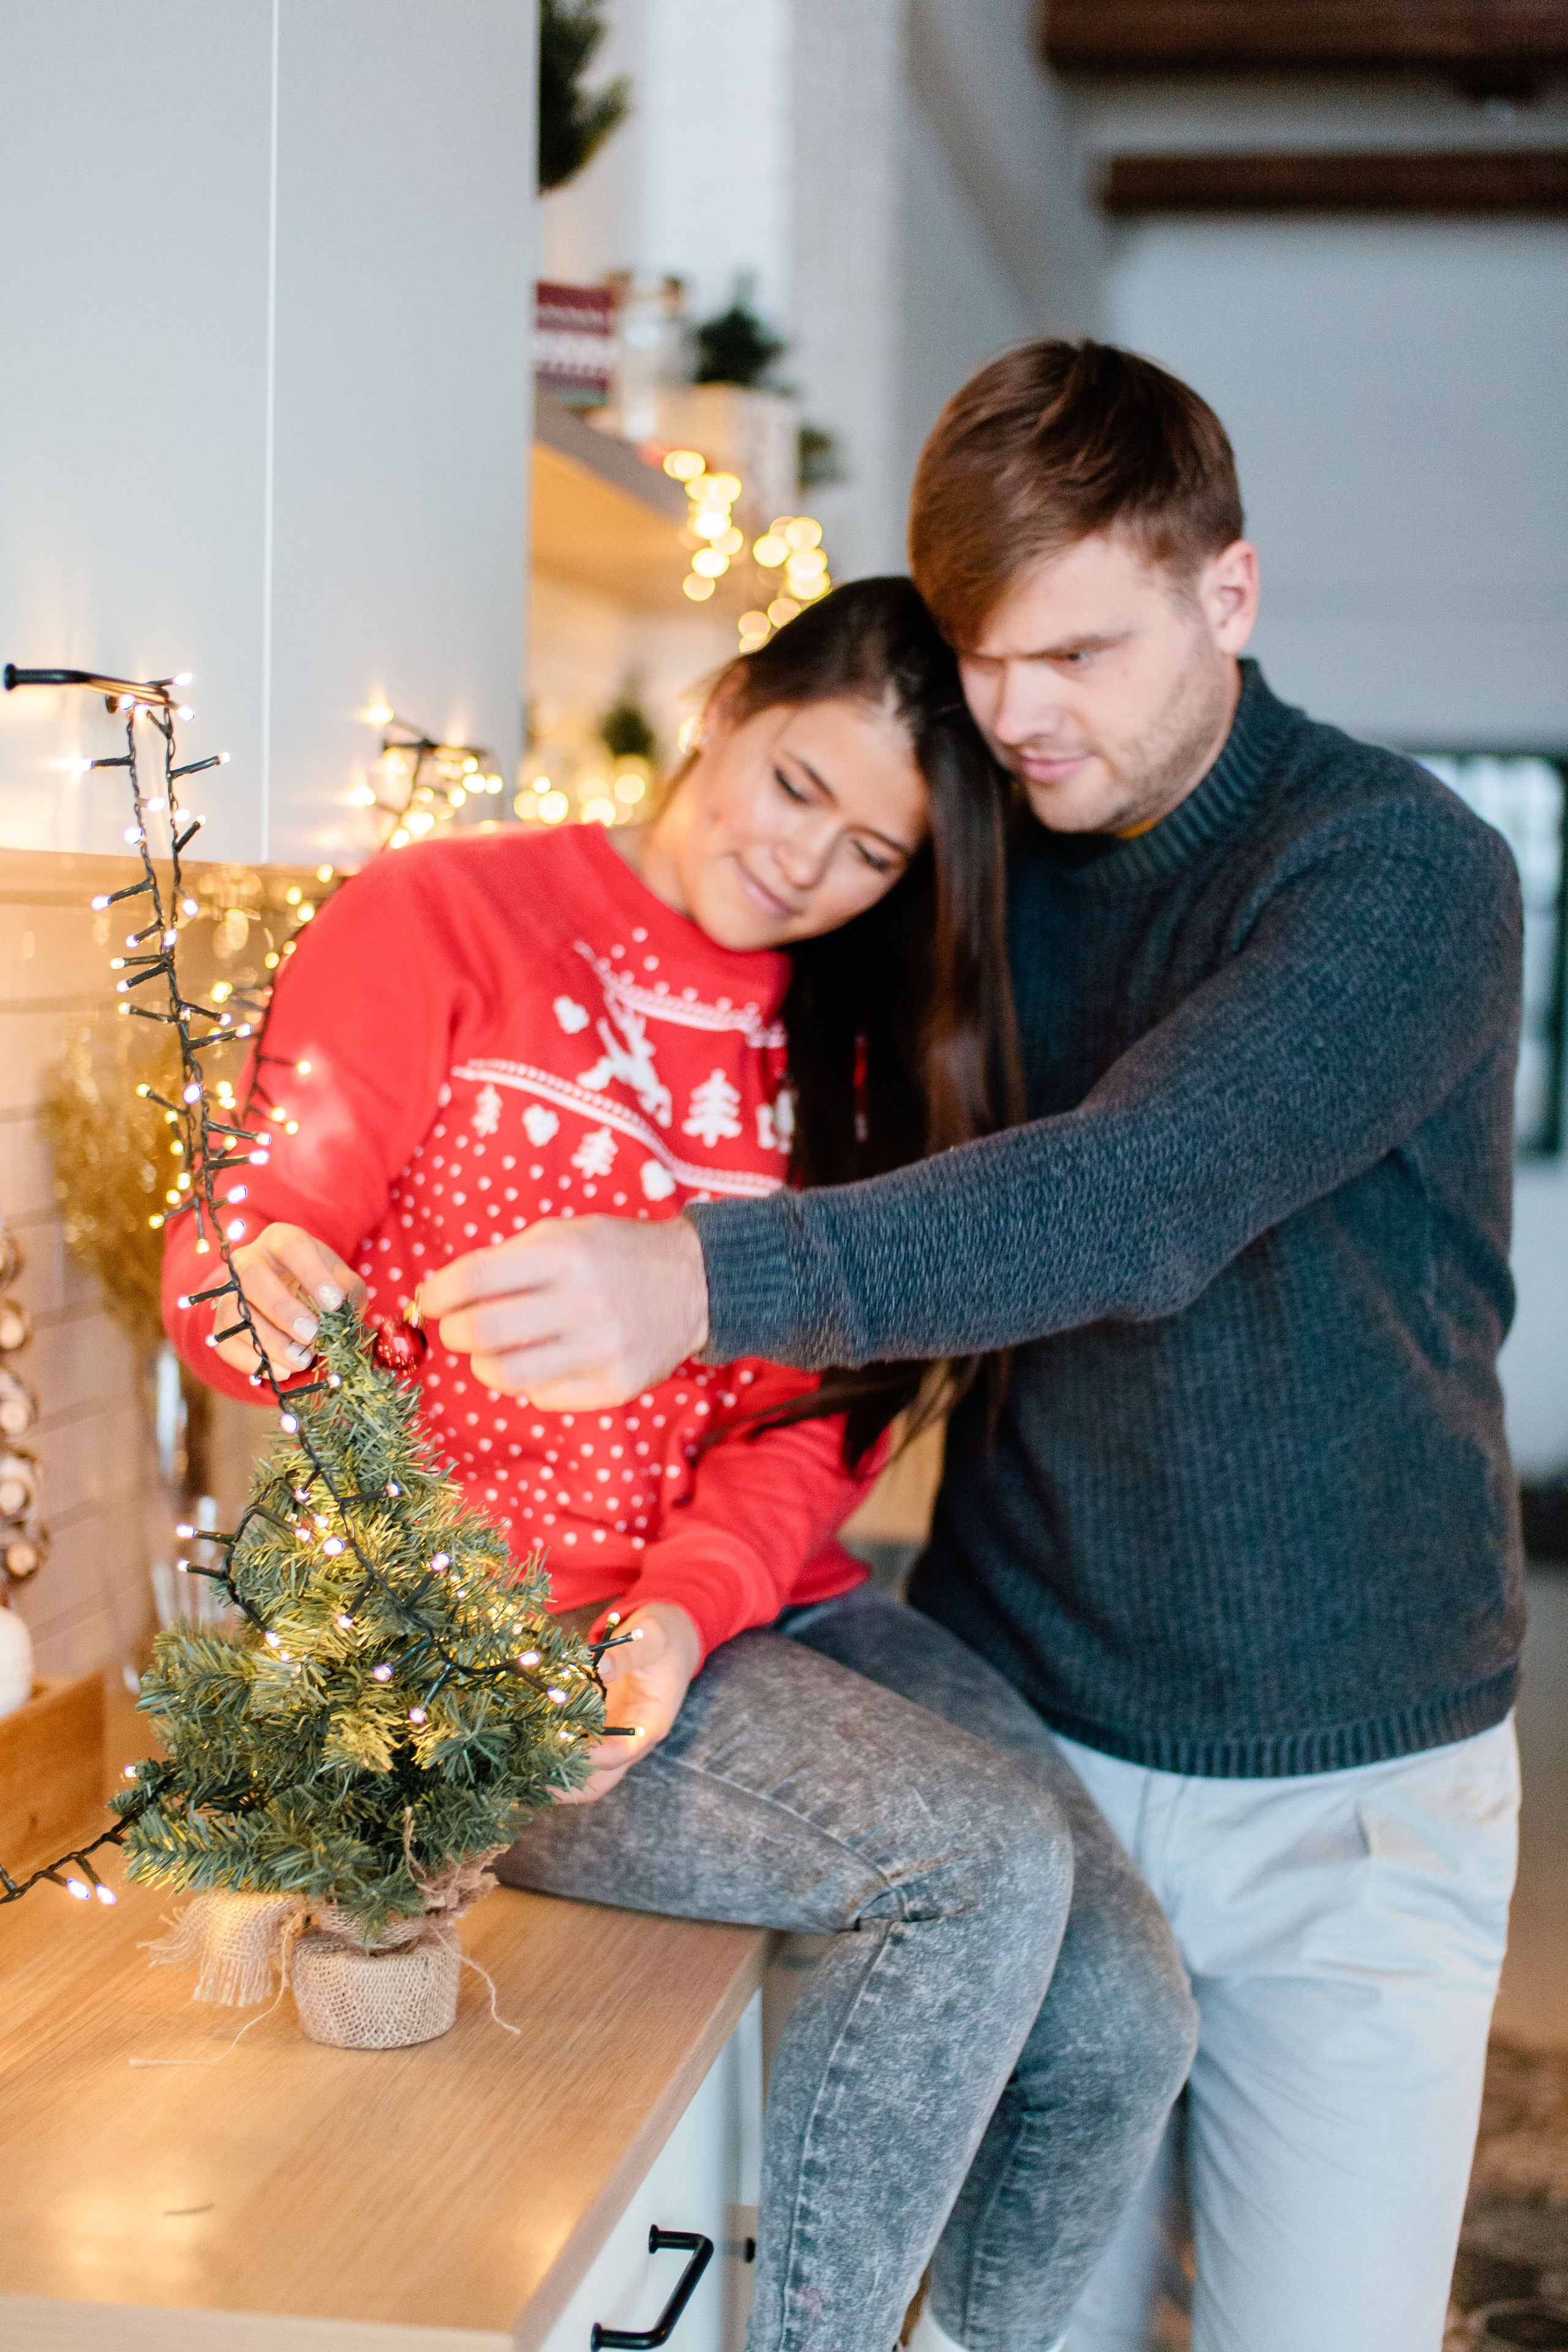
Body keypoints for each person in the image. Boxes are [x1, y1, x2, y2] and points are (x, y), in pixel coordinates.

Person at [425, 342, 1528, 2352]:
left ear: (1232, 595)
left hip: (1348, 1791)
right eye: (985, 658)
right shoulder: (979, 842)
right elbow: (714, 990)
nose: (1018, 719)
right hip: (1036, 1703)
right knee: (1012, 2329)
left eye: (1084, 654)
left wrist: (696, 1277)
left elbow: (1143, 1197)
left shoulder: (1399, 876)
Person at [164, 578, 1196, 2352]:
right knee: (977, 1864)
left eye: (874, 851)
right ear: (726, 705)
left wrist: (687, 1611)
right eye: (801, 787)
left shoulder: (866, 1043)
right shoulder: (444, 916)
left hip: (744, 1607)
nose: (811, 867)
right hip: (481, 1647)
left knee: (1123, 2018)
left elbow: (820, 1420)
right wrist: (249, 1289)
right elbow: (246, 1241)